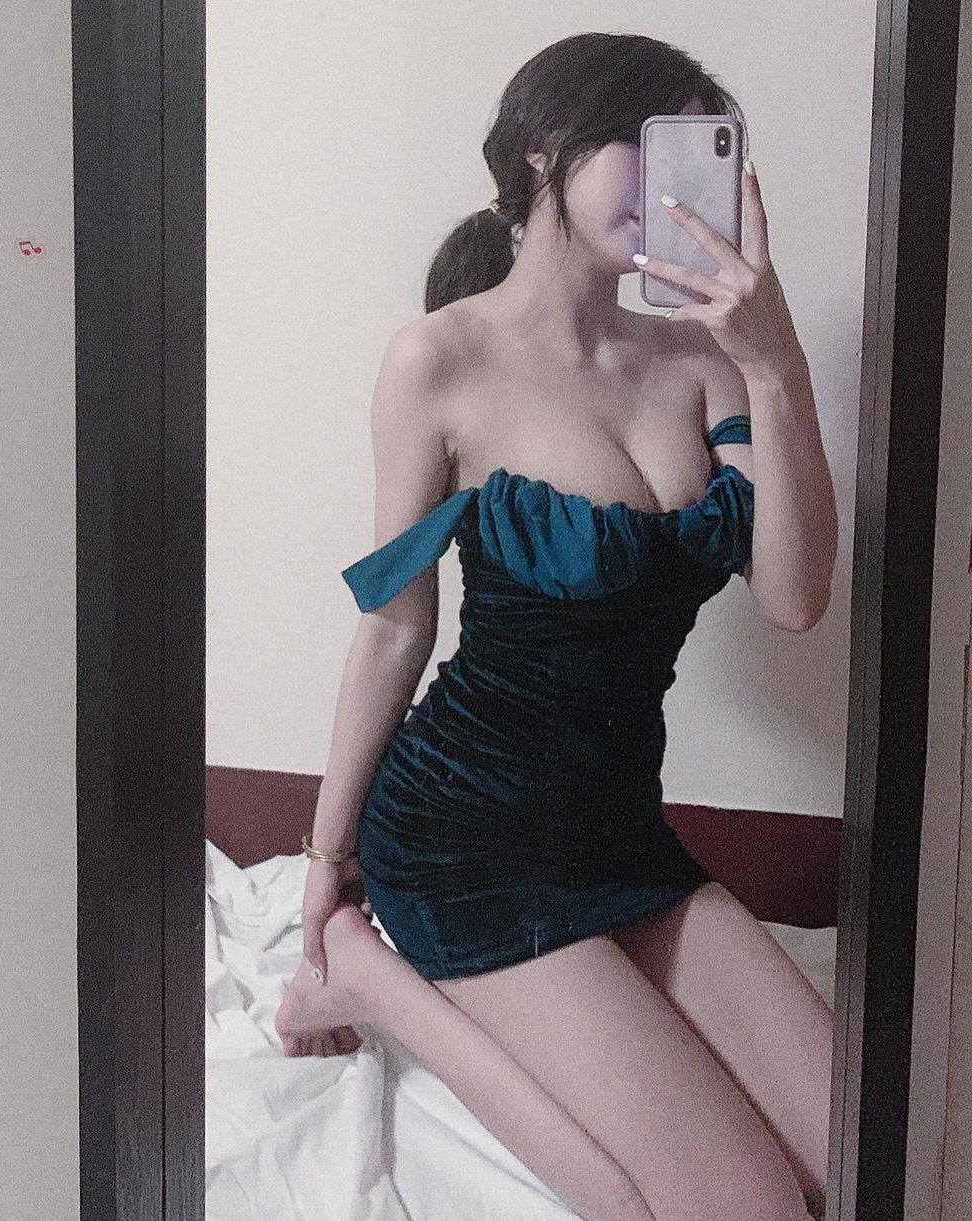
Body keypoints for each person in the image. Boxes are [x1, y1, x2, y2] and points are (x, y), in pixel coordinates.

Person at [275, 31, 838, 1221]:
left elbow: (794, 601)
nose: (668, 178)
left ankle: (382, 981)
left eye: (695, 148)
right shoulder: (440, 360)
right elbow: (394, 631)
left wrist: (777, 361)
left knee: (861, 1156)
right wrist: (326, 867)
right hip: (464, 843)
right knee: (746, 1207)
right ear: (543, 149)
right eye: (640, 140)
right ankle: (371, 978)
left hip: (622, 836)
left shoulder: (707, 363)